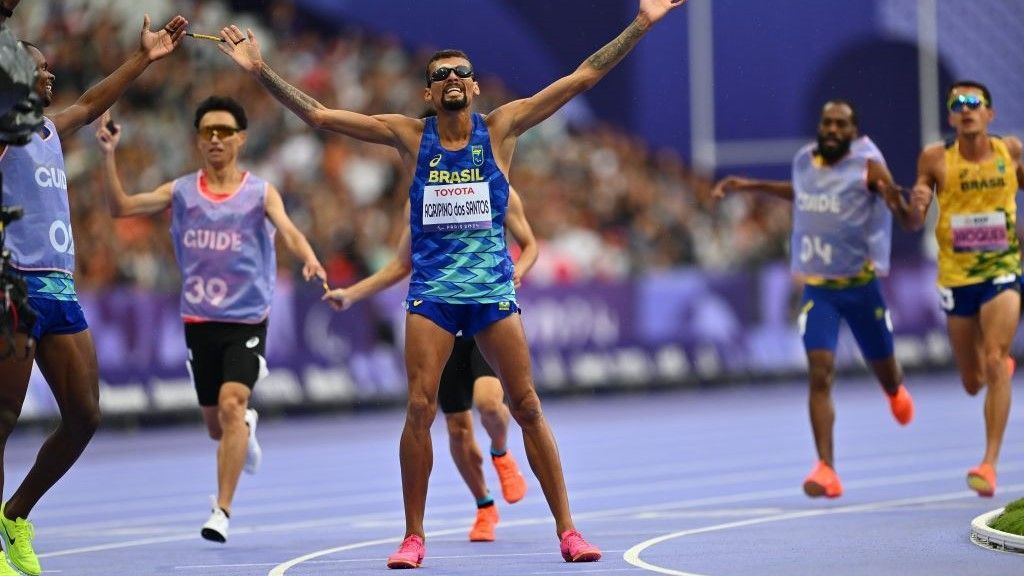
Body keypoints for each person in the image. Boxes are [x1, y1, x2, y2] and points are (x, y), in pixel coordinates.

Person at [218, 0, 687, 566]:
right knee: (420, 409)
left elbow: (582, 77)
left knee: (527, 406)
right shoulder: (410, 137)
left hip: (491, 293)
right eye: (440, 76)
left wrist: (641, 23)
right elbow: (320, 116)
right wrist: (260, 69)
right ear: (428, 94)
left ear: (474, 86)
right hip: (435, 296)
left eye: (461, 72)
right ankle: (413, 535)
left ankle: (568, 530)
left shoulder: (504, 127)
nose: (453, 80)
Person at [0, 15, 187, 576]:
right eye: (39, 68)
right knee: (3, 419)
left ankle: (15, 515)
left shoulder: (48, 130)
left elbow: (92, 99)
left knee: (84, 416)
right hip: (13, 283)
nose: (49, 74)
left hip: (59, 286)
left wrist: (145, 59)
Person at [94, 96, 326, 540]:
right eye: (207, 132)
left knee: (232, 403)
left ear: (241, 138)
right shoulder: (180, 191)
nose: (216, 138)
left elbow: (290, 231)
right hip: (199, 320)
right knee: (217, 426)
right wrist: (108, 155)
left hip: (247, 319)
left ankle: (221, 509)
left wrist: (309, 258)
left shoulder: (260, 191)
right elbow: (120, 207)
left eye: (224, 131)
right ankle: (244, 428)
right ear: (199, 141)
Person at [712, 100, 916, 499]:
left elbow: (896, 203)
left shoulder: (869, 166)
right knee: (820, 372)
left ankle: (894, 391)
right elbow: (801, 194)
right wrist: (750, 185)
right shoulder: (806, 161)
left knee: (887, 370)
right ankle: (826, 468)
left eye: (841, 124)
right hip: (820, 289)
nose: (833, 129)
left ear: (854, 131)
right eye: (827, 123)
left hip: (861, 287)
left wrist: (897, 199)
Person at [323, 186, 537, 542]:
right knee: (456, 429)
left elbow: (530, 244)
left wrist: (519, 271)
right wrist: (352, 294)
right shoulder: (421, 195)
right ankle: (484, 506)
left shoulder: (497, 185)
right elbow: (400, 263)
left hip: (485, 312)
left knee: (489, 405)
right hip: (440, 319)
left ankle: (500, 452)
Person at [907, 81, 1024, 498]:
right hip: (957, 278)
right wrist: (917, 202)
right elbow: (912, 220)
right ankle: (995, 370)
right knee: (973, 380)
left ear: (990, 114)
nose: (966, 108)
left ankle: (989, 464)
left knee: (994, 356)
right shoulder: (936, 158)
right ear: (951, 117)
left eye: (975, 102)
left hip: (1002, 270)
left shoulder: (1010, 151)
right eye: (958, 103)